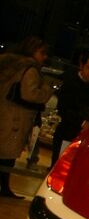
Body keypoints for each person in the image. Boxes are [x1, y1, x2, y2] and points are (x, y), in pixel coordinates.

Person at [0, 36, 53, 198]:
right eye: (42, 53)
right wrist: (46, 90)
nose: (45, 57)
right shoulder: (30, 69)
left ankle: (5, 187)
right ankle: (5, 188)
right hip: (16, 118)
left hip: (6, 113)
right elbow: (30, 94)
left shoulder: (13, 64)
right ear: (32, 51)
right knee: (7, 156)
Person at [51, 50, 89, 165]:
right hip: (67, 132)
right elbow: (63, 108)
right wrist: (82, 122)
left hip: (85, 137)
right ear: (81, 66)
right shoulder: (70, 82)